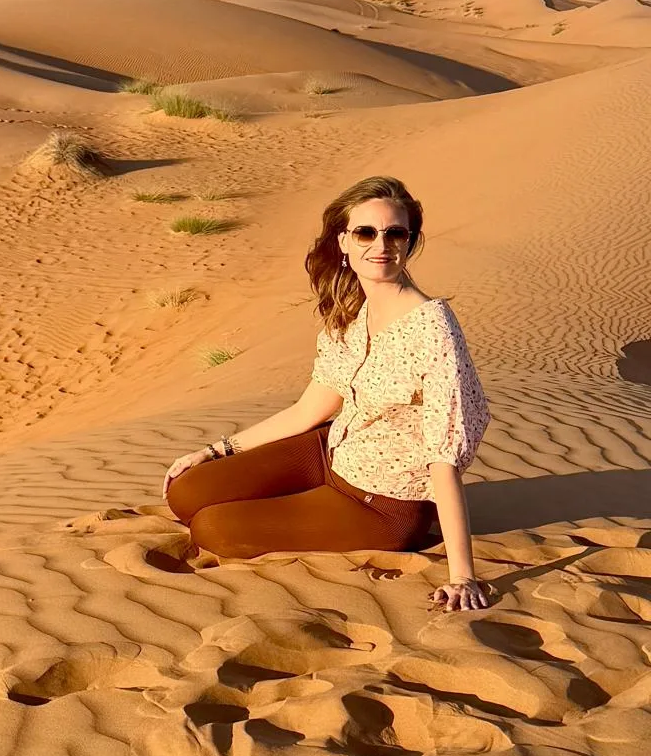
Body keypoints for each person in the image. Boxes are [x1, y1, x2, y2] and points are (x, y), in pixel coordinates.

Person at [163, 175, 494, 613]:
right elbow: (309, 410)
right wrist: (215, 450)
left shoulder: (433, 329)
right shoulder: (356, 310)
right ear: (343, 242)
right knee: (186, 491)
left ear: (410, 241)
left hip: (379, 503)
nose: (381, 245)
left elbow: (444, 456)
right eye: (366, 233)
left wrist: (462, 576)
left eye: (395, 233)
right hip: (330, 453)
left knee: (213, 529)